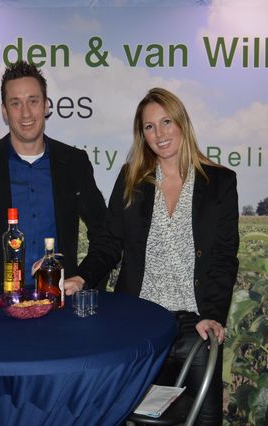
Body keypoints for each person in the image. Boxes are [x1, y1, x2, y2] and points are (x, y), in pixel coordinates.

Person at [64, 87, 239, 425]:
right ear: (141, 134)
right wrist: (81, 277)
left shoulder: (220, 183)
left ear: (182, 123)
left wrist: (214, 315)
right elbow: (108, 243)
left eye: (166, 122)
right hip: (140, 325)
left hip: (197, 327)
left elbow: (223, 257)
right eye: (149, 126)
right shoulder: (132, 179)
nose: (159, 134)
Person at [0, 60, 107, 295]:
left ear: (46, 106)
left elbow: (104, 234)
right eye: (15, 103)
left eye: (33, 101)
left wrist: (84, 278)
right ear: (5, 111)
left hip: (59, 303)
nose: (25, 113)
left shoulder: (74, 163)